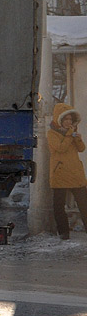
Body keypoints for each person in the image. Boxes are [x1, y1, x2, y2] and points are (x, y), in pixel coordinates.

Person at [49, 102, 87, 240]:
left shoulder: (72, 133)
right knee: (59, 206)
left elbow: (82, 148)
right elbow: (60, 148)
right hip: (59, 173)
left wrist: (77, 138)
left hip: (76, 173)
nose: (68, 122)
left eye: (70, 119)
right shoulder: (51, 134)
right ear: (59, 119)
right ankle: (63, 233)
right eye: (65, 119)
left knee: (84, 204)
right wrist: (70, 135)